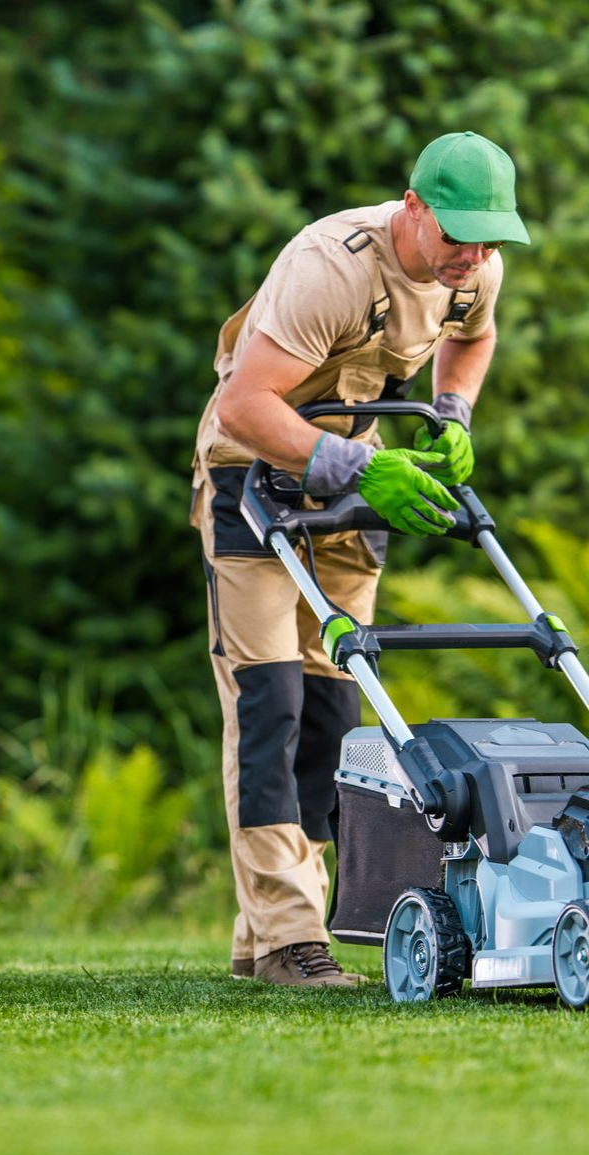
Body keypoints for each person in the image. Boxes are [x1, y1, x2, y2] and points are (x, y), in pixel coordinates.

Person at [190, 131, 530, 987]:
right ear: (413, 206)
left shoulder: (475, 271)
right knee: (270, 701)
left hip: (352, 490)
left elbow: (474, 339)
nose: (473, 257)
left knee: (337, 709)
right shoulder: (331, 267)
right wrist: (362, 466)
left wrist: (450, 414)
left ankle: (276, 927)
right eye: (457, 236)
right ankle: (284, 940)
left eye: (489, 239)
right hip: (255, 482)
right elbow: (242, 407)